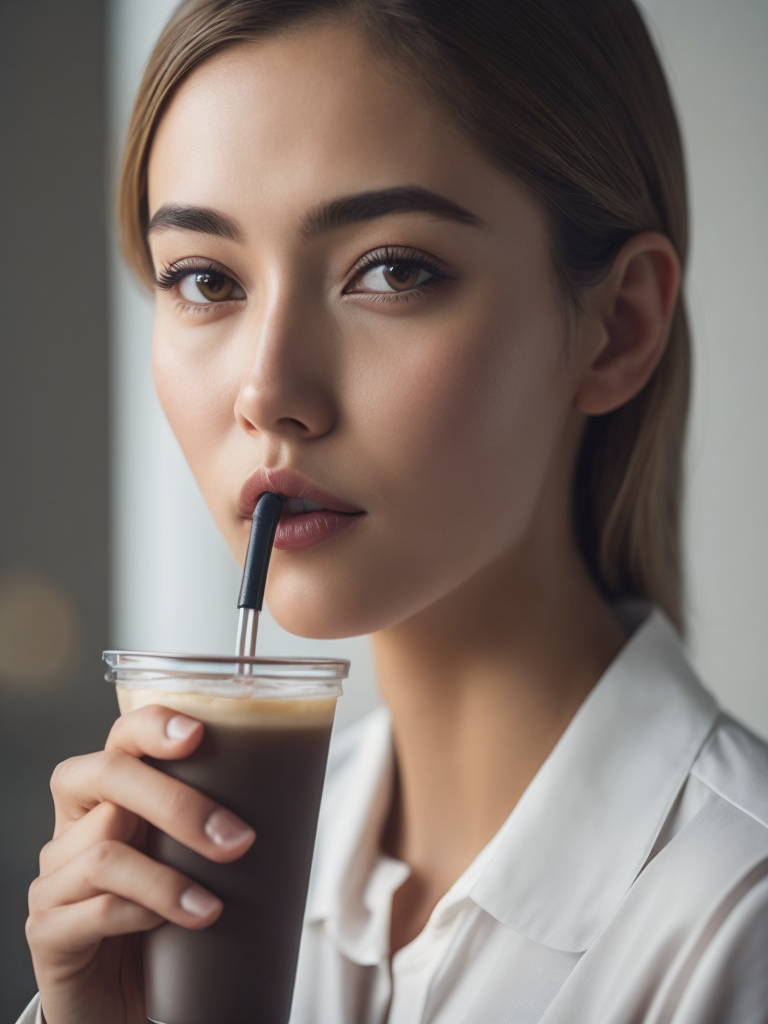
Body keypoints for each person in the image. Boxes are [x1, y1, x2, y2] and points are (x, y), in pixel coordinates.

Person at [17, 1, 768, 1021]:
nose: (269, 387)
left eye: (392, 270)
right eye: (204, 278)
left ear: (618, 326)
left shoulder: (738, 919)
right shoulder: (211, 885)